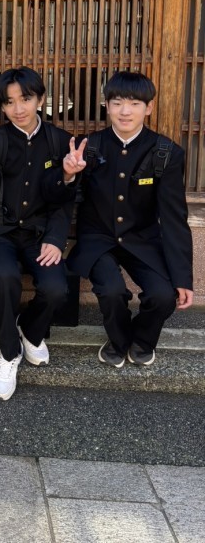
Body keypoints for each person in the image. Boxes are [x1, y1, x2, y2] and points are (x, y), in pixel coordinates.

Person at [64, 71, 193, 367]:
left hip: (142, 239)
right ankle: (119, 340)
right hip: (97, 239)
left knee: (163, 296)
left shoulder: (166, 153)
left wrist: (183, 277)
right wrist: (68, 174)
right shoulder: (88, 146)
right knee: (111, 292)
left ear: (149, 107)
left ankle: (142, 340)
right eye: (117, 102)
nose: (125, 111)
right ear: (106, 105)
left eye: (134, 103)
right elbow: (62, 199)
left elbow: (174, 218)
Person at [0, 67, 76, 400]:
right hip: (0, 231)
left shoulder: (58, 141)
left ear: (40, 99)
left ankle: (30, 329)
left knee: (56, 288)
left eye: (25, 99)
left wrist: (55, 238)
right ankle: (8, 353)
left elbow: (65, 201)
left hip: (40, 232)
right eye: (9, 102)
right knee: (4, 278)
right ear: (2, 106)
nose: (18, 108)